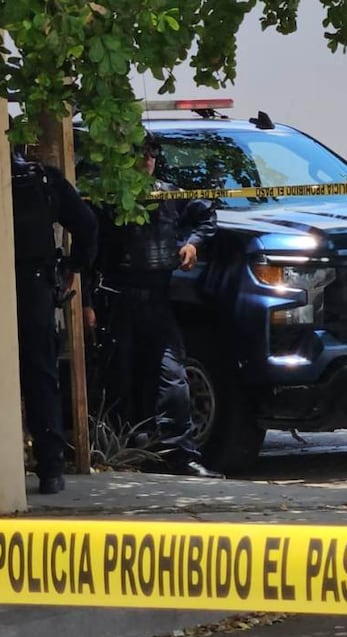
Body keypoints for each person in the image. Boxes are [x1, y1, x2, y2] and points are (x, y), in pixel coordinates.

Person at [86, 131, 222, 478]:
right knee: (121, 379)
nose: (146, 159)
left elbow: (206, 216)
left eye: (150, 153)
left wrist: (192, 243)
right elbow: (87, 252)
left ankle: (180, 454)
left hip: (157, 298)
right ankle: (124, 453)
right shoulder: (105, 198)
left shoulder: (168, 194)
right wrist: (86, 302)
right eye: (137, 153)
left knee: (172, 379)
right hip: (117, 298)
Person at [11, 148, 97, 495]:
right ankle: (50, 469)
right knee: (40, 372)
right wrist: (74, 267)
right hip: (34, 284)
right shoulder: (42, 178)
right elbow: (87, 225)